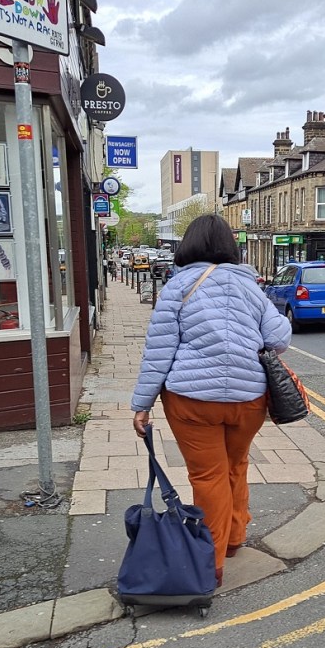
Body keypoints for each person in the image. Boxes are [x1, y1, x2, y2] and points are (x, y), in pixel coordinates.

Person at [131, 214, 291, 587]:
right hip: (248, 398)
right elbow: (279, 339)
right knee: (236, 465)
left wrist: (142, 403)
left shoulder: (178, 286)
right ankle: (234, 539)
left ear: (188, 245)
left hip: (191, 401)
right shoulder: (251, 285)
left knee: (208, 476)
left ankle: (210, 563)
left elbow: (159, 350)